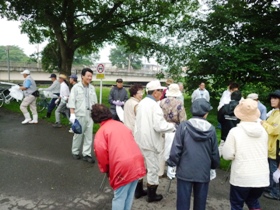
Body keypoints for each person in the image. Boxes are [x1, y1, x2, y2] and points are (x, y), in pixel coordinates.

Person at [167, 98, 220, 210]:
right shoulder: (211, 130)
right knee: (200, 203)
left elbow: (176, 148)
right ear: (206, 113)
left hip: (185, 170)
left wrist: (172, 164)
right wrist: (213, 167)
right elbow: (214, 152)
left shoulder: (184, 126)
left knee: (182, 202)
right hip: (203, 171)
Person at [92, 104, 146, 210]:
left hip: (122, 165)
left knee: (119, 197)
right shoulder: (120, 124)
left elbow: (101, 154)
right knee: (129, 195)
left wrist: (106, 169)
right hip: (137, 161)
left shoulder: (101, 132)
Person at [222, 98, 269, 210]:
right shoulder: (263, 131)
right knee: (253, 201)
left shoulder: (235, 132)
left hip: (242, 176)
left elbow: (227, 155)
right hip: (261, 176)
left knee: (237, 205)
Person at [134, 80, 175, 203]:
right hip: (150, 141)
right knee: (153, 168)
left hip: (140, 139)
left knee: (140, 166)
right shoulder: (154, 106)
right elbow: (159, 126)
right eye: (161, 90)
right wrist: (172, 126)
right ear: (155, 92)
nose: (162, 92)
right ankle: (151, 195)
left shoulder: (142, 103)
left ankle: (138, 191)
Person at [68, 68, 98, 163]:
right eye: (88, 76)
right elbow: (71, 101)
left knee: (89, 135)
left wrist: (96, 112)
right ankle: (75, 152)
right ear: (82, 76)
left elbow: (95, 102)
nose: (90, 78)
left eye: (91, 76)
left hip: (90, 114)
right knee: (78, 134)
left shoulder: (92, 88)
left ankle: (86, 154)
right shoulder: (76, 87)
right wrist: (72, 114)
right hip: (80, 114)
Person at [262, 90, 280, 200]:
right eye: (272, 98)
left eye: (276, 98)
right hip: (270, 147)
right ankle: (269, 187)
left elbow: (274, 130)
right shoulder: (274, 112)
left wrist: (263, 123)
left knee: (276, 172)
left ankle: (276, 193)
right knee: (270, 169)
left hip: (277, 149)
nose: (272, 100)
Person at [217, 91, 242, 156]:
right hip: (237, 133)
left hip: (225, 131)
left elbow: (219, 118)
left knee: (222, 145)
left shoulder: (224, 107)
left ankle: (215, 162)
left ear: (231, 97)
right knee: (238, 148)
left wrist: (225, 122)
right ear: (240, 98)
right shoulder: (241, 109)